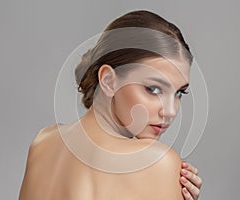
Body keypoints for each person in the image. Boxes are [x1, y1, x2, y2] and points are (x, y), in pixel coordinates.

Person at [19, 10, 202, 200]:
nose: (170, 111)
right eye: (154, 89)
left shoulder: (42, 142)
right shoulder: (157, 162)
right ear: (108, 81)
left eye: (180, 93)